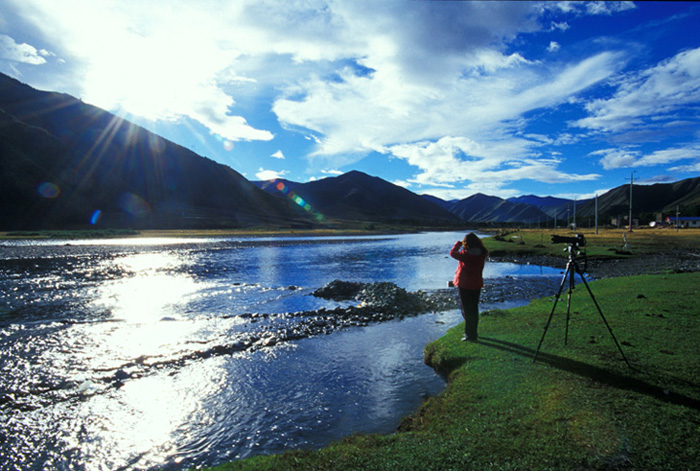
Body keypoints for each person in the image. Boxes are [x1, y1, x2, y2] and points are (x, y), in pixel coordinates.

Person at [449, 232, 488, 342]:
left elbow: (452, 253)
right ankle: (473, 333)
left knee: (466, 310)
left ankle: (470, 335)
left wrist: (458, 244)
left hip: (465, 285)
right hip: (477, 284)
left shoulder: (466, 255)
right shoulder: (482, 253)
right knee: (474, 309)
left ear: (467, 243)